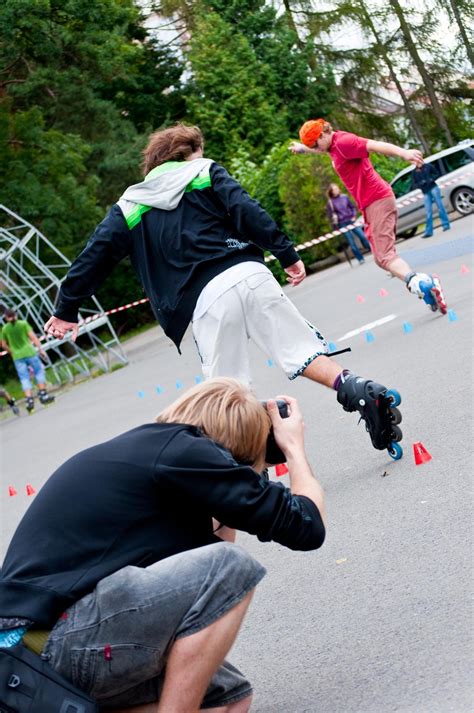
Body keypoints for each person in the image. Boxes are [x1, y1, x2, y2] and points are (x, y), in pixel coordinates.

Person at [44, 123, 403, 456]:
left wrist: (66, 309)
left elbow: (95, 255)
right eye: (198, 153)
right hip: (250, 273)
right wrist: (285, 253)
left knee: (228, 395)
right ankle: (356, 389)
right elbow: (246, 209)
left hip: (205, 299)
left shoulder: (129, 205)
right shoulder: (204, 171)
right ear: (186, 152)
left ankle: (258, 464)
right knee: (303, 352)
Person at [0, 378, 327, 712]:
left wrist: (234, 495)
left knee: (228, 699)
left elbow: (197, 592)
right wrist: (293, 450)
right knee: (230, 566)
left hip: (37, 657)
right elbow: (307, 527)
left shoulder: (154, 458)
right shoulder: (185, 450)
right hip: (33, 645)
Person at [290, 119, 448, 314]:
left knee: (384, 256)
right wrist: (303, 149)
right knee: (381, 258)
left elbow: (375, 145)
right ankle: (422, 287)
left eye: (314, 144)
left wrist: (404, 153)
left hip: (377, 199)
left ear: (323, 134)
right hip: (370, 203)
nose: (316, 148)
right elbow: (322, 150)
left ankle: (425, 284)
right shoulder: (332, 145)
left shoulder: (344, 142)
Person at [1, 308, 55, 412]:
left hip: (17, 356)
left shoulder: (5, 329)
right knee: (39, 372)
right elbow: (33, 337)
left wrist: (12, 352)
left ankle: (29, 400)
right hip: (29, 352)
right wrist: (40, 349)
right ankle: (43, 394)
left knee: (24, 378)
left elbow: (3, 345)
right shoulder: (23, 324)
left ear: (6, 318)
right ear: (15, 315)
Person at [326, 183, 371, 264]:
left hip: (351, 221)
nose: (337, 190)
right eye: (334, 189)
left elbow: (352, 207)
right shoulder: (330, 203)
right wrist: (335, 227)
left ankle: (371, 250)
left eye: (337, 188)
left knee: (363, 236)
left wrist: (353, 215)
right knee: (352, 243)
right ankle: (360, 259)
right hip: (342, 224)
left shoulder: (344, 197)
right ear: (331, 192)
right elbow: (330, 216)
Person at [410, 163, 451, 238]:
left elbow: (437, 173)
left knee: (440, 207)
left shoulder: (428, 166)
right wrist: (420, 184)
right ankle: (429, 232)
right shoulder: (414, 172)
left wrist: (431, 179)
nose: (417, 162)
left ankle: (446, 225)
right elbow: (414, 184)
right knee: (428, 212)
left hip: (433, 188)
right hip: (425, 192)